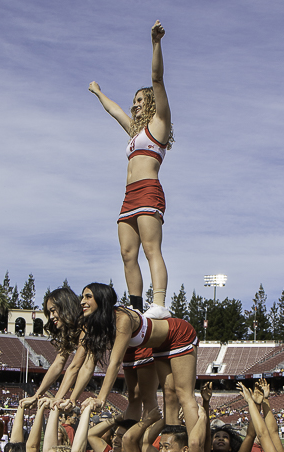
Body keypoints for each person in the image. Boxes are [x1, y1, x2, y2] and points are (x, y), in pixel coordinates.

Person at [89, 20, 173, 319]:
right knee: (127, 255)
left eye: (139, 101)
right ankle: (137, 309)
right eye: (133, 102)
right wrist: (98, 92)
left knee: (152, 250)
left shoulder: (159, 125)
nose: (134, 105)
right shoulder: (134, 133)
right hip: (129, 196)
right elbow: (114, 111)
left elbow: (157, 78)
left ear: (150, 103)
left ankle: (159, 304)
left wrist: (155, 43)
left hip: (149, 190)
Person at [60, 283, 197, 428]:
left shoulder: (122, 318)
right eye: (82, 297)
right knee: (168, 395)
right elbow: (87, 366)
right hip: (155, 346)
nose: (82, 301)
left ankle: (195, 444)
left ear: (102, 299)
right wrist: (72, 399)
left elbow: (115, 362)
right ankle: (172, 441)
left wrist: (101, 399)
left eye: (88, 297)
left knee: (183, 395)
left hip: (177, 335)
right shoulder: (95, 324)